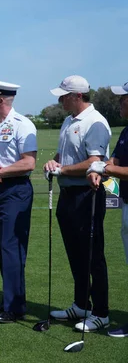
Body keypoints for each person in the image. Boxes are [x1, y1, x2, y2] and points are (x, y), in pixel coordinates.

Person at [44, 75, 111, 332]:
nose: (60, 99)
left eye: (64, 95)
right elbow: (64, 156)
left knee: (94, 257)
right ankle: (82, 304)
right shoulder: (68, 120)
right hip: (68, 197)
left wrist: (62, 170)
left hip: (88, 196)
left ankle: (102, 312)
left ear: (78, 96)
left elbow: (94, 162)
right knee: (76, 255)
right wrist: (53, 163)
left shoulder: (95, 123)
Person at [0, 79, 37, 324]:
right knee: (4, 247)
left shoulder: (22, 124)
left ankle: (13, 307)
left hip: (17, 190)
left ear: (1, 99)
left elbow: (28, 162)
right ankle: (10, 299)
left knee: (12, 247)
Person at [86, 80, 128, 337]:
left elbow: (115, 167)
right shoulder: (125, 132)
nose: (120, 103)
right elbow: (116, 160)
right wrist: (103, 167)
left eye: (124, 98)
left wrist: (106, 169)